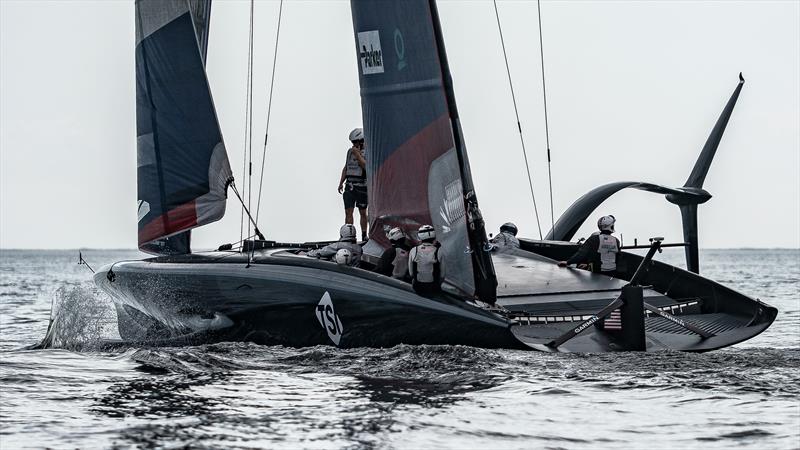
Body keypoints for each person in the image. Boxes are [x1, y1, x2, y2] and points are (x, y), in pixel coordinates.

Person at [337, 128, 368, 241]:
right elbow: (346, 167)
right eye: (352, 142)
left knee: (362, 211)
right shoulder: (350, 151)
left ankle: (364, 234)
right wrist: (341, 182)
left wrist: (358, 155)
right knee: (348, 211)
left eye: (356, 142)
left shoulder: (368, 151)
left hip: (362, 186)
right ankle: (348, 235)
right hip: (350, 185)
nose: (354, 144)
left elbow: (365, 166)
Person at [408, 225, 444, 295]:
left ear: (420, 237)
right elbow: (442, 275)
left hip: (417, 288)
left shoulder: (413, 250)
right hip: (434, 288)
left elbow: (411, 273)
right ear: (434, 237)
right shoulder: (439, 251)